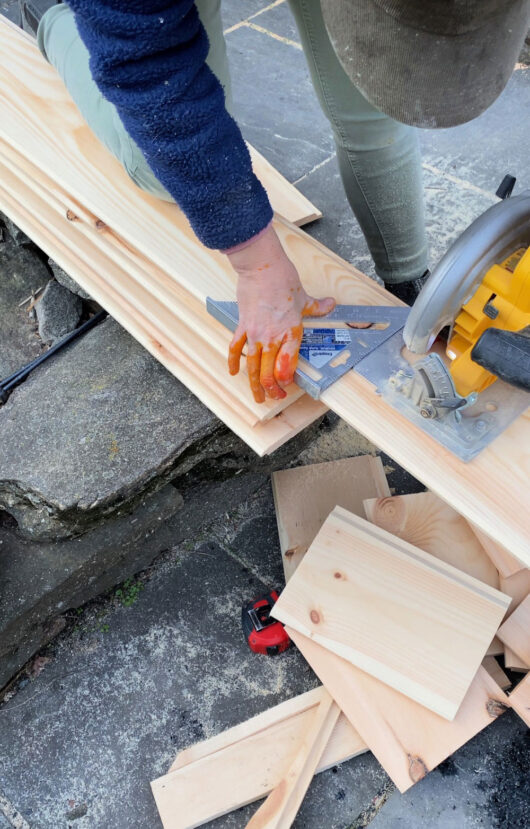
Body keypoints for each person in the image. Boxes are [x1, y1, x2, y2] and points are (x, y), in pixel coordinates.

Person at [19, 1, 530, 404]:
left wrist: (419, 297)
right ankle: (60, 24)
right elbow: (147, 69)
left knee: (376, 114)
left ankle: (405, 278)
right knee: (158, 170)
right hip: (131, 14)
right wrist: (258, 265)